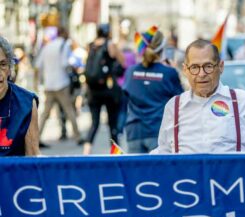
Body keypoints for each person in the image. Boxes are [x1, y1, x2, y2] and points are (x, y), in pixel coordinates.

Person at [152, 39, 245, 154]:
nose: (201, 74)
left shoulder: (243, 101)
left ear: (220, 67)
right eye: (194, 67)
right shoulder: (174, 107)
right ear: (185, 70)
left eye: (208, 66)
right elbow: (164, 155)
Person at [123, 27, 183, 153]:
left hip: (135, 132)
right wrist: (174, 70)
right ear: (162, 48)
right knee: (159, 173)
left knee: (136, 173)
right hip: (158, 132)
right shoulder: (169, 73)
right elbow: (181, 101)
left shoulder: (131, 71)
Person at [34, 27, 83, 146]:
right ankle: (77, 136)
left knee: (45, 113)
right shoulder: (64, 45)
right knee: (69, 110)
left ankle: (36, 138)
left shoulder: (47, 47)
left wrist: (39, 81)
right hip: (61, 83)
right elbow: (65, 63)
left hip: (49, 85)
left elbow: (38, 65)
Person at [83, 24, 124, 155]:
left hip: (93, 90)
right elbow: (122, 61)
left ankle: (86, 151)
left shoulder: (91, 45)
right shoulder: (110, 44)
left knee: (94, 123)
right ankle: (115, 154)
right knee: (112, 123)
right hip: (108, 89)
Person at [0, 36, 40, 156]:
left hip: (14, 174)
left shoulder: (26, 104)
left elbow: (32, 158)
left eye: (2, 65)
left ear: (9, 69)